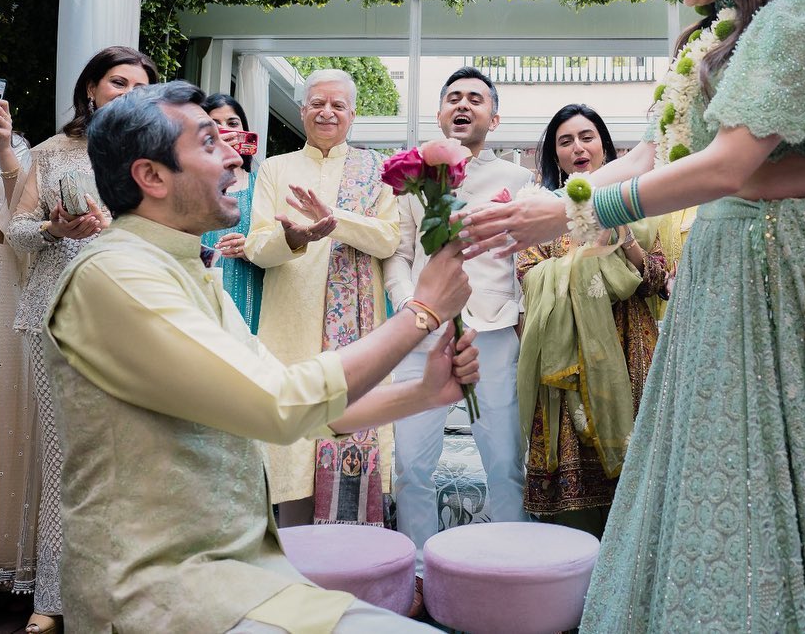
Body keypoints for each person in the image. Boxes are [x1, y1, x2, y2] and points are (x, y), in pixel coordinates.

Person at [459, 0, 805, 631]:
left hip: (776, 256)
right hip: (722, 262)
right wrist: (554, 204)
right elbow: (655, 156)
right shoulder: (712, 37)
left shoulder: (800, 13)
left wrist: (574, 216)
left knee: (768, 456)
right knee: (712, 457)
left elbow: (728, 163)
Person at [43, 81, 478, 633]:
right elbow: (281, 405)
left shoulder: (183, 269)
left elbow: (310, 406)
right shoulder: (115, 274)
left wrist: (424, 393)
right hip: (160, 595)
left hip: (246, 579)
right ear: (150, 177)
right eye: (209, 142)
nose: (233, 154)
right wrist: (420, 312)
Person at [5, 46, 157, 634]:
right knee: (62, 456)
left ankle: (117, 593)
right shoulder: (51, 151)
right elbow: (16, 233)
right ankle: (50, 596)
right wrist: (53, 227)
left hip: (126, 312)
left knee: (125, 456)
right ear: (90, 88)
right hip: (55, 310)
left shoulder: (152, 155)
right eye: (117, 82)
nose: (127, 92)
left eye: (139, 85)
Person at [384, 66, 531, 615]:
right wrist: (415, 307)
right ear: (439, 113)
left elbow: (523, 256)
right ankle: (423, 576)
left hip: (492, 333)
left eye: (475, 99)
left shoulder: (517, 182)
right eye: (452, 99)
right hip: (420, 334)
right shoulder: (411, 180)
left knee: (503, 458)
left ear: (495, 116)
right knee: (413, 463)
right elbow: (399, 253)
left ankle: (513, 568)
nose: (462, 105)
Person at [245, 69, 400, 526]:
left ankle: (352, 570)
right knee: (290, 456)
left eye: (337, 105)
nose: (327, 112)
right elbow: (256, 245)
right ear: (302, 111)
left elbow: (390, 239)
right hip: (289, 330)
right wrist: (293, 239)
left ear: (352, 114)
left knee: (350, 426)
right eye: (317, 103)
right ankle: (292, 566)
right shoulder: (275, 168)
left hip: (357, 336)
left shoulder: (378, 171)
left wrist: (334, 219)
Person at [517, 104, 666, 537]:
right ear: (556, 156)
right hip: (566, 360)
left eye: (587, 137)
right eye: (566, 141)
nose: (578, 148)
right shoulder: (543, 211)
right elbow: (530, 276)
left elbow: (659, 279)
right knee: (573, 466)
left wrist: (623, 242)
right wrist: (585, 256)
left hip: (628, 351)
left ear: (604, 145)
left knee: (635, 472)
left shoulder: (636, 204)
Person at [0, 96, 32, 594]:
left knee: (0, 404)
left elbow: (25, 214)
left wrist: (3, 146)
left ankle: (2, 553)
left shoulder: (19, 145)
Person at [201, 93, 264, 332]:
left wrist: (252, 247)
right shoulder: (188, 186)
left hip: (250, 291)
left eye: (232, 123)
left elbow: (279, 242)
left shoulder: (262, 185)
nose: (225, 131)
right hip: (199, 294)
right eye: (214, 124)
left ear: (245, 130)